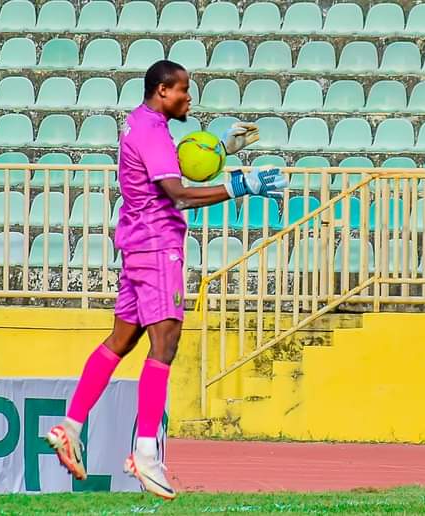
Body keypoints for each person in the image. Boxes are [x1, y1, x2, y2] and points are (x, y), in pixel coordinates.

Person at [46, 60, 288, 499]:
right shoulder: (153, 131)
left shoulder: (139, 124)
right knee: (166, 344)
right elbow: (177, 192)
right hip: (158, 248)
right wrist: (242, 185)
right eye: (183, 91)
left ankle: (71, 425)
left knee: (120, 341)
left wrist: (220, 149)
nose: (188, 98)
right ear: (162, 90)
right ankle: (145, 454)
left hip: (137, 244)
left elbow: (169, 168)